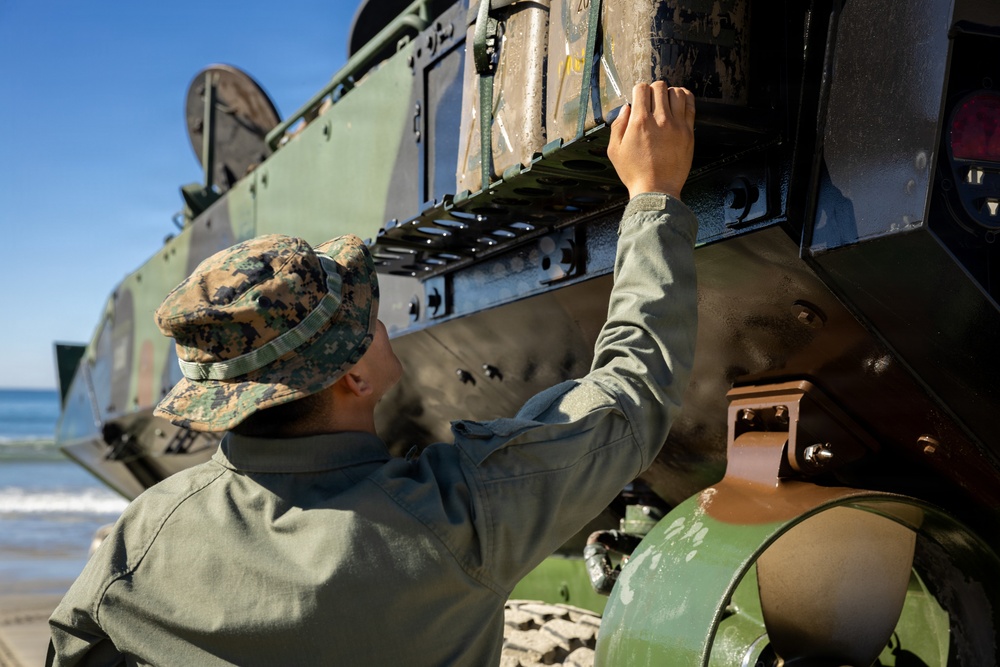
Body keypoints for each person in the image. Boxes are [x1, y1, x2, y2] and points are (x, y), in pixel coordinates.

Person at [47, 82, 697, 666]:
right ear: (353, 379)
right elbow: (633, 388)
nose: (383, 326)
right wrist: (654, 195)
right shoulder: (460, 514)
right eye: (368, 320)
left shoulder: (145, 535)